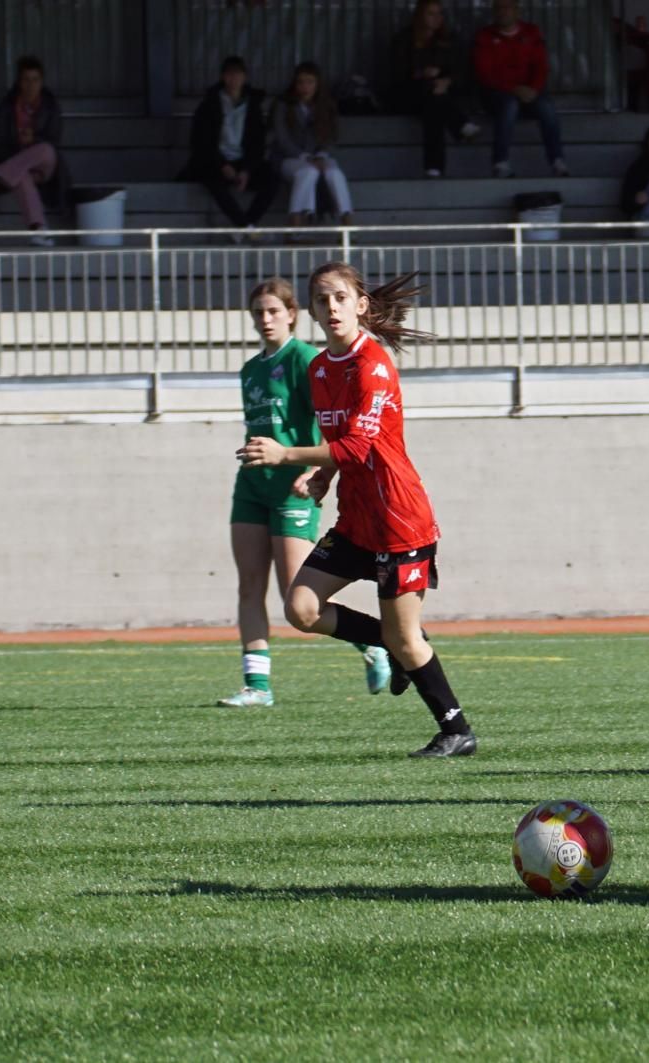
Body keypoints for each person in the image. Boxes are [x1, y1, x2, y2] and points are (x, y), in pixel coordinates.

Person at [238, 264, 474, 758]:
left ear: (360, 305)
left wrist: (287, 456)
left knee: (407, 639)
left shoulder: (374, 365)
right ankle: (390, 644)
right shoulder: (320, 368)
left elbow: (361, 445)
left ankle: (456, 728)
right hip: (356, 520)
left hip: (398, 520)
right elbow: (340, 445)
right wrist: (324, 476)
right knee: (301, 607)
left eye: (341, 298)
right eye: (323, 301)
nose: (332, 308)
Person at [222, 277, 391, 707]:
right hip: (252, 485)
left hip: (291, 484)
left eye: (273, 311)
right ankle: (256, 686)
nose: (265, 319)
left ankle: (371, 644)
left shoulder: (304, 360)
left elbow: (329, 422)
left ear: (293, 314)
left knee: (295, 594)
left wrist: (317, 468)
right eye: (258, 312)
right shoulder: (250, 369)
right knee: (248, 585)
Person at [183, 56, 279, 239]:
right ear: (222, 77)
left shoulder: (253, 106)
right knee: (211, 180)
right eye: (229, 74)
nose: (233, 79)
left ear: (245, 77)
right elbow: (201, 142)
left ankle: (243, 228)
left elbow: (257, 143)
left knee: (272, 179)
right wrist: (222, 165)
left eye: (238, 74)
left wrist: (246, 169)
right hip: (215, 162)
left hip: (243, 162)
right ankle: (244, 226)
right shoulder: (209, 105)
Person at [473, 0, 568, 178]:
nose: (502, 12)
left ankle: (557, 161)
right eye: (498, 8)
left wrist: (534, 89)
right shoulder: (484, 36)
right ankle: (500, 163)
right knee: (509, 105)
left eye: (507, 7)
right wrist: (514, 89)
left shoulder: (531, 32)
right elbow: (485, 74)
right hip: (497, 94)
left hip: (528, 92)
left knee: (546, 106)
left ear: (517, 11)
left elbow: (541, 66)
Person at [389, 0, 480, 178]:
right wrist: (422, 73)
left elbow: (461, 72)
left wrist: (447, 80)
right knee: (432, 96)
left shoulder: (449, 40)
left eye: (439, 13)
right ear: (419, 16)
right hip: (409, 95)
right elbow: (397, 74)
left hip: (439, 93)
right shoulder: (404, 39)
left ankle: (434, 169)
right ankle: (461, 125)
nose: (437, 18)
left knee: (434, 108)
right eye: (431, 13)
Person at [0, 55, 69, 247]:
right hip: (17, 164)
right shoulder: (7, 107)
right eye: (26, 80)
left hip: (45, 166)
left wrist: (33, 139)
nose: (31, 85)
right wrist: (19, 142)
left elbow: (55, 139)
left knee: (45, 149)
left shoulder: (50, 105)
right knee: (22, 176)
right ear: (19, 82)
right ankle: (39, 229)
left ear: (41, 82)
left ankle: (0, 172)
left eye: (35, 80)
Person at [272, 61, 353, 229]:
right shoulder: (283, 105)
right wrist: (306, 157)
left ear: (318, 84)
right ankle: (295, 224)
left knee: (334, 173)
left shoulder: (326, 106)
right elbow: (282, 139)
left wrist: (321, 156)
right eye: (300, 82)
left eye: (310, 82)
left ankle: (347, 223)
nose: (305, 87)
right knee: (308, 171)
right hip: (290, 158)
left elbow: (331, 138)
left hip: (319, 156)